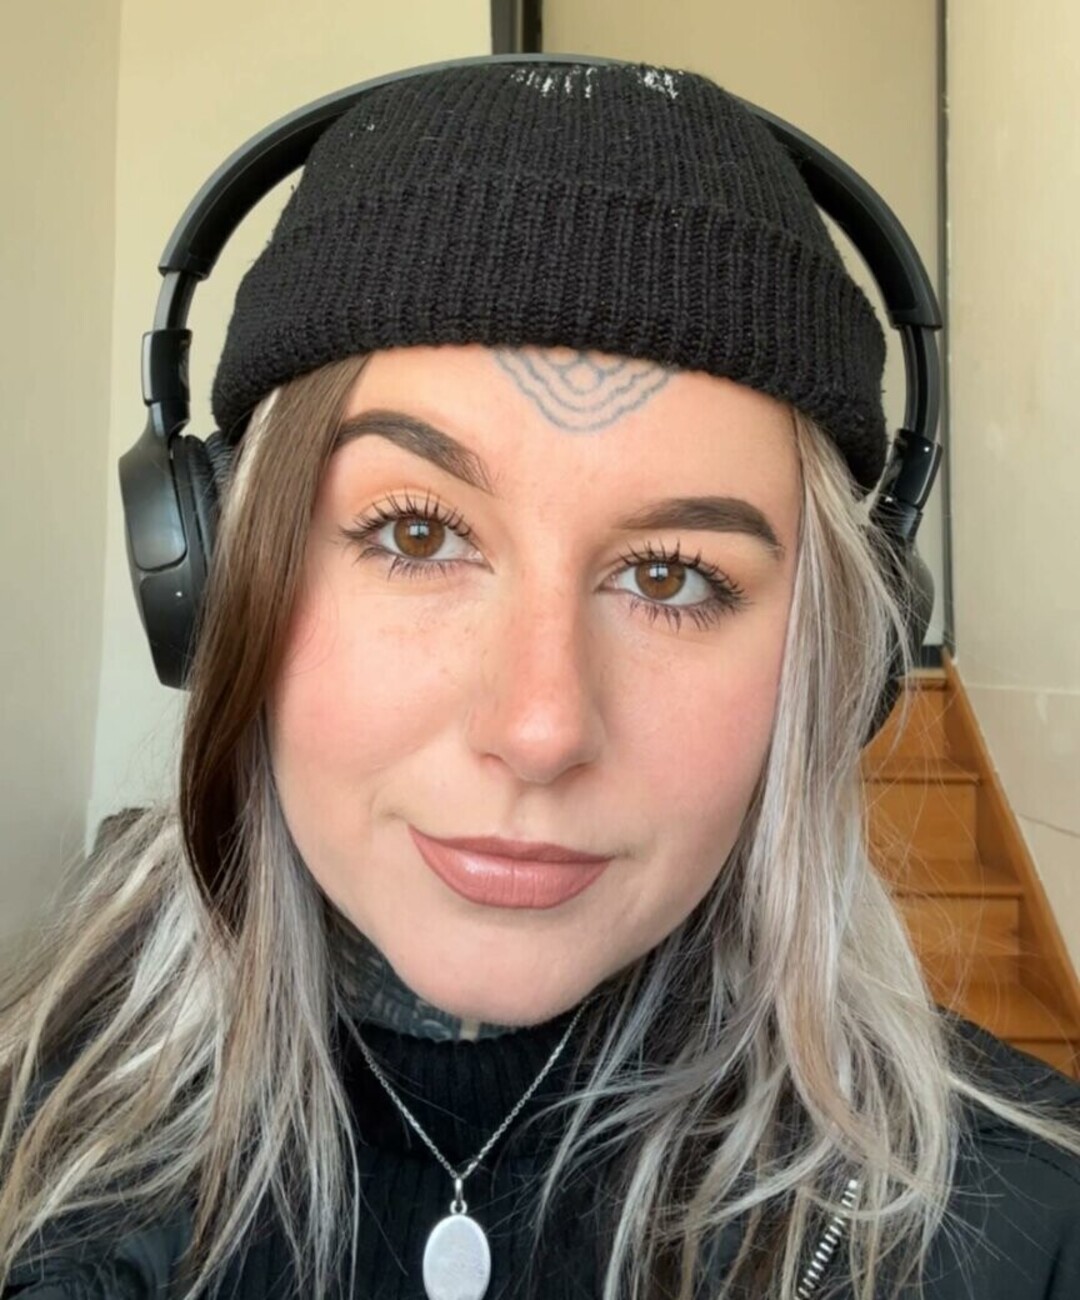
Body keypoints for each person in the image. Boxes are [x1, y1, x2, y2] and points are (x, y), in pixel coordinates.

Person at [1, 57, 1078, 1300]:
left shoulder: (1034, 1231)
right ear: (212, 579)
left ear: (836, 663)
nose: (539, 726)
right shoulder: (37, 1165)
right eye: (417, 534)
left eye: (672, 575)